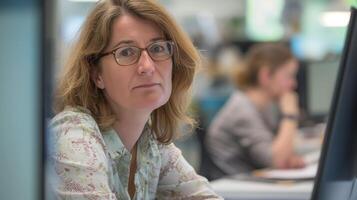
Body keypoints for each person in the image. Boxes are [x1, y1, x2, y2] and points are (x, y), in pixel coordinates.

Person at [48, 0, 222, 199]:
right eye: (126, 52)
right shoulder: (74, 138)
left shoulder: (150, 144)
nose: (147, 66)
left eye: (157, 49)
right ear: (96, 74)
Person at [205, 43, 305, 180]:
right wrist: (290, 115)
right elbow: (277, 160)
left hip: (252, 184)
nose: (294, 84)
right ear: (266, 76)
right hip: (236, 191)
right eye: (289, 76)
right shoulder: (241, 111)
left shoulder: (265, 107)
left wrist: (289, 158)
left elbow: (276, 154)